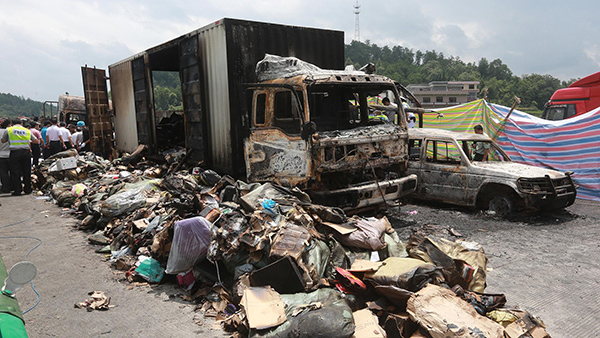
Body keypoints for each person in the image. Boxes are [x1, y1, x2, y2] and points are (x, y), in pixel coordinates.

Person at [1, 118, 37, 195]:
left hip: (15, 153)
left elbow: (3, 140)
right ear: (21, 124)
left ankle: (18, 190)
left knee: (15, 172)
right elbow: (35, 140)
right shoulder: (27, 130)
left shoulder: (9, 130)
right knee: (26, 171)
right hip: (26, 152)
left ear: (12, 123)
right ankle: (27, 189)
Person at [0, 119, 11, 193]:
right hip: (11, 154)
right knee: (13, 171)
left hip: (1, 155)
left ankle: (6, 188)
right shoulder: (11, 131)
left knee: (3, 173)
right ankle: (13, 187)